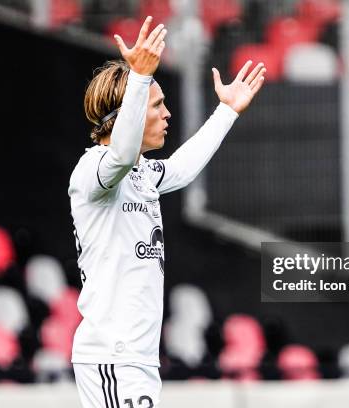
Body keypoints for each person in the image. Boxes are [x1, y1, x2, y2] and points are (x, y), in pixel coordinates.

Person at [69, 16, 266, 408]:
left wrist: (226, 112)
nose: (167, 115)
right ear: (129, 112)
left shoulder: (141, 174)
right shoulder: (93, 171)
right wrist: (140, 78)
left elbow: (180, 168)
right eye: (157, 106)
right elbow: (121, 155)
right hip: (113, 357)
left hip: (137, 360)